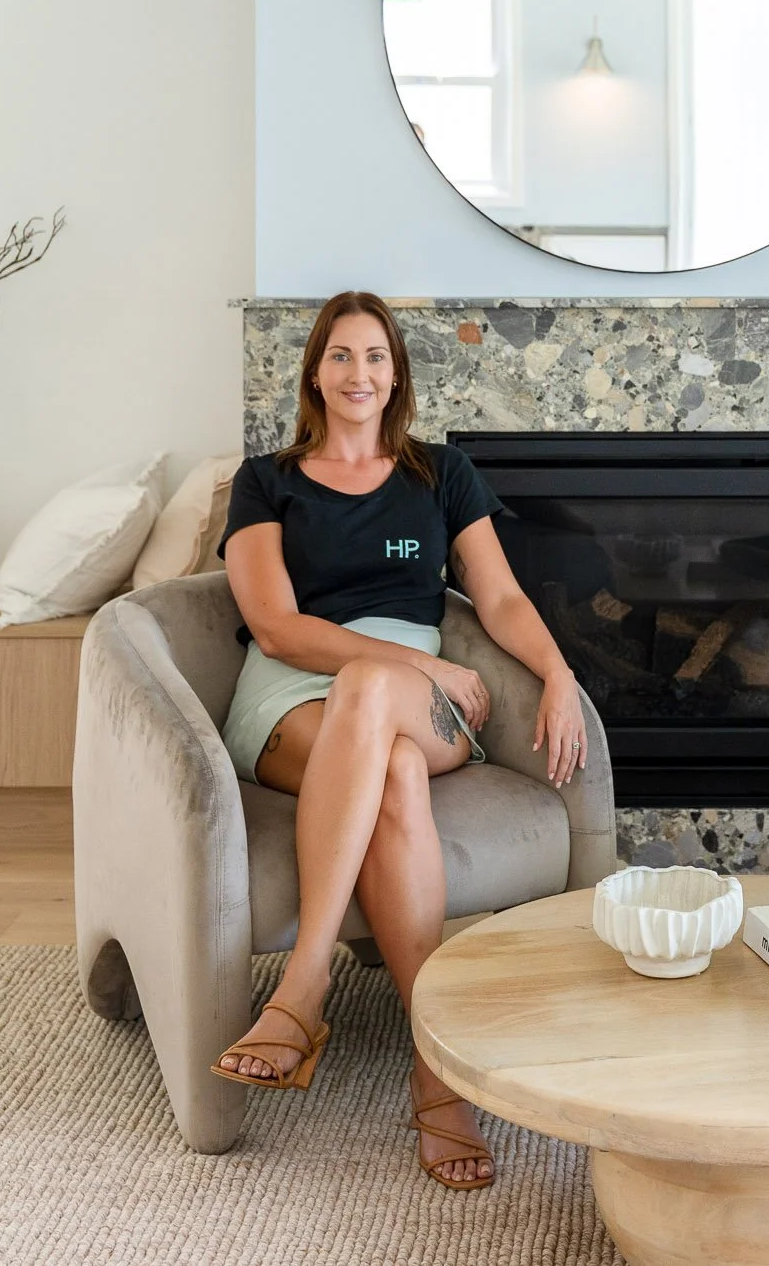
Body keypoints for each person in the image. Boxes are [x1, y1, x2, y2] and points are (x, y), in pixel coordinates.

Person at [209, 290, 588, 1191]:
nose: (359, 373)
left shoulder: (440, 473)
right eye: (341, 355)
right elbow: (276, 626)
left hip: (417, 697)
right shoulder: (265, 480)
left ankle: (303, 989)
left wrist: (559, 673)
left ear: (396, 374)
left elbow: (499, 597)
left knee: (379, 701)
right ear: (315, 373)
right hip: (294, 696)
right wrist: (411, 663)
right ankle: (438, 1074)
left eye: (375, 356)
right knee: (399, 772)